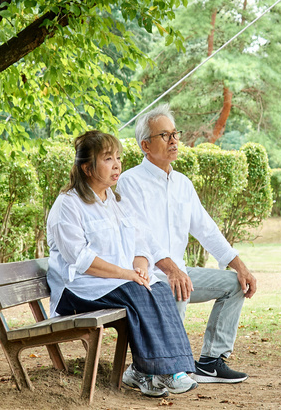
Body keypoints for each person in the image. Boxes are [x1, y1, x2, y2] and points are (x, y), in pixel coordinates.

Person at [46, 130, 198, 398]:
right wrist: (127, 275)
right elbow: (81, 261)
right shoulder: (68, 205)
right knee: (137, 290)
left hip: (113, 283)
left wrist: (140, 267)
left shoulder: (116, 201)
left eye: (118, 157)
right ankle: (160, 371)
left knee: (158, 287)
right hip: (78, 290)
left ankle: (150, 371)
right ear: (87, 167)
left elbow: (141, 241)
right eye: (107, 159)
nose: (117, 165)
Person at [116, 104, 258, 384]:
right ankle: (163, 368)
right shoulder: (130, 182)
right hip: (146, 278)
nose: (174, 141)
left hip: (179, 272)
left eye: (175, 134)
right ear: (145, 145)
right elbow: (140, 236)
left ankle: (210, 361)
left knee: (233, 284)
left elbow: (207, 230)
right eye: (165, 135)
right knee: (176, 286)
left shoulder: (182, 184)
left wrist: (240, 266)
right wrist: (170, 270)